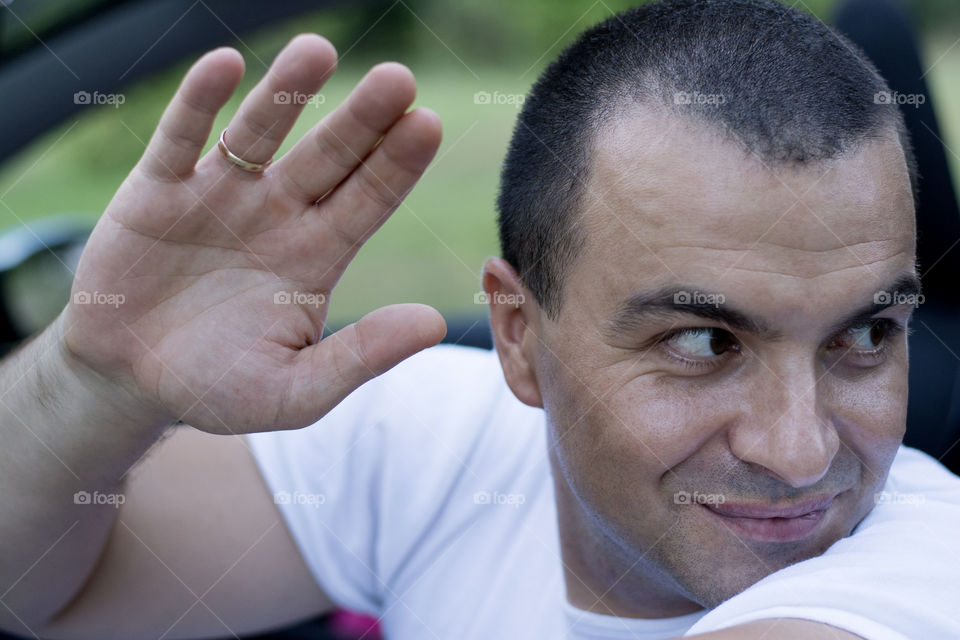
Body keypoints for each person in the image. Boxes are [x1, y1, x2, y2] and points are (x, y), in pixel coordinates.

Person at [1, 0, 958, 638]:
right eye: (706, 343)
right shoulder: (436, 439)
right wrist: (91, 383)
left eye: (865, 336)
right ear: (518, 334)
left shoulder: (926, 567)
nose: (799, 454)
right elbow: (40, 586)